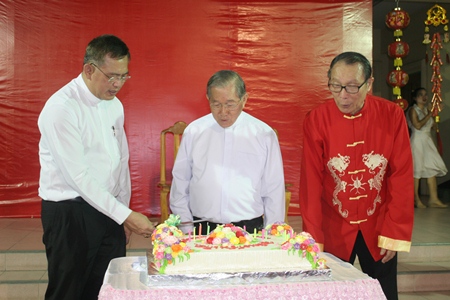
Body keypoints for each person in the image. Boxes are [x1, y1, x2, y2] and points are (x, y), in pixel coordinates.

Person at [38, 34, 155, 300]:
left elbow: (120, 159)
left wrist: (121, 211)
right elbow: (77, 176)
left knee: (108, 289)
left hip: (108, 209)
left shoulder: (114, 105)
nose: (117, 84)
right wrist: (124, 215)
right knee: (69, 291)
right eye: (112, 76)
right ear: (89, 69)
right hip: (71, 214)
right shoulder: (62, 108)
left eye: (124, 76)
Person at [299, 52, 414, 300]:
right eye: (336, 86)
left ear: (369, 83)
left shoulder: (391, 115)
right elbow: (310, 182)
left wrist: (394, 233)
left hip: (378, 225)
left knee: (384, 293)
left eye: (352, 87)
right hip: (334, 225)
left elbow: (401, 176)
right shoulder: (317, 119)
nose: (343, 95)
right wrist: (313, 238)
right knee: (332, 293)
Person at [170, 70, 285, 235]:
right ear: (208, 99)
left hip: (248, 229)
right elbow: (180, 183)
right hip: (202, 227)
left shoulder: (263, 134)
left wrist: (273, 233)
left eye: (230, 104)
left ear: (244, 99)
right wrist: (186, 227)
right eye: (216, 104)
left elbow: (274, 188)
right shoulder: (194, 131)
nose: (223, 112)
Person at [407, 87, 448, 208]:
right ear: (415, 98)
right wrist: (431, 113)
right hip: (417, 142)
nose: (424, 97)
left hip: (427, 141)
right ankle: (415, 199)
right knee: (416, 170)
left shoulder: (426, 110)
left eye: (425, 94)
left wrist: (435, 115)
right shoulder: (412, 110)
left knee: (432, 168)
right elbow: (417, 125)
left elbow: (431, 127)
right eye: (421, 95)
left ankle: (433, 199)